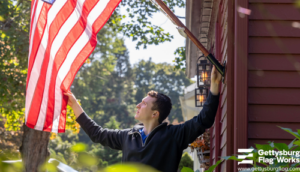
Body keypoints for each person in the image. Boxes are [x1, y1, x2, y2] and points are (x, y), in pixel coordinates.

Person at [64, 65, 222, 172]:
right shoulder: (127, 136)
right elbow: (97, 133)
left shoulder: (174, 135)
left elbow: (204, 120)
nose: (138, 105)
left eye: (144, 104)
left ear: (155, 114)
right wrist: (74, 104)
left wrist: (214, 88)